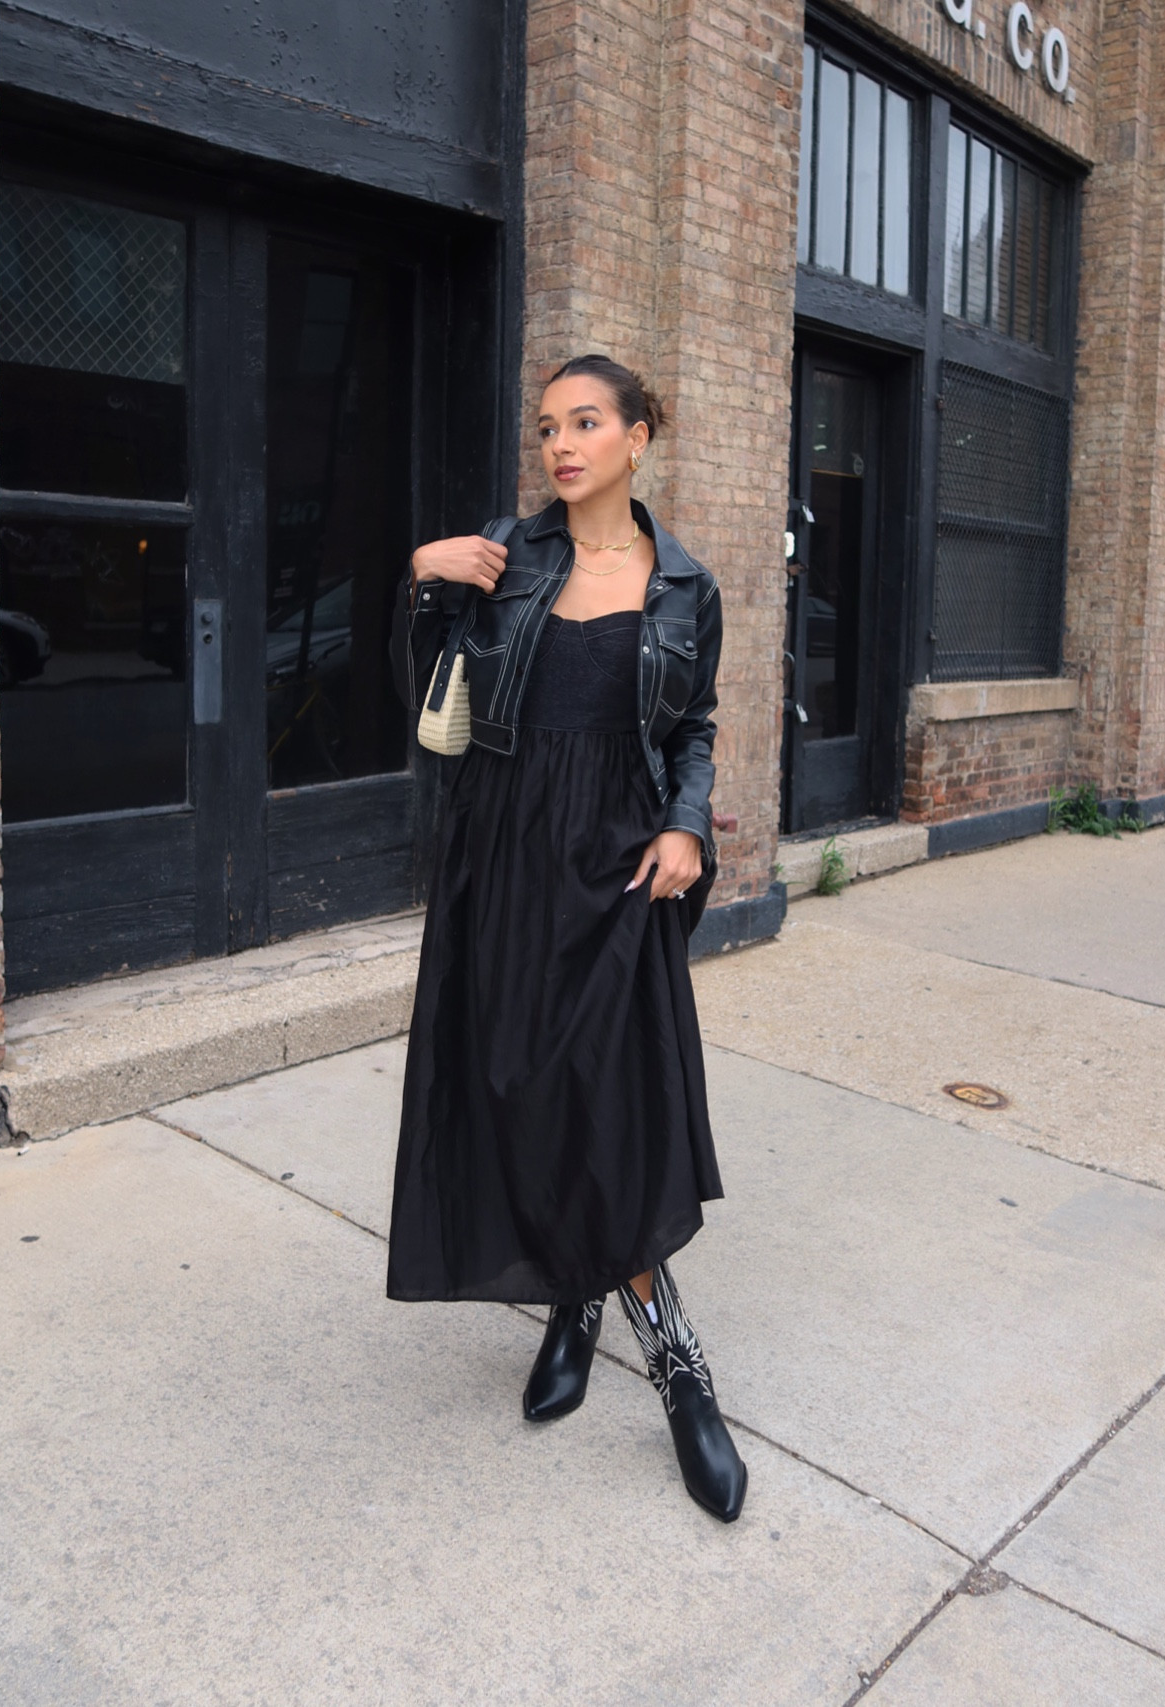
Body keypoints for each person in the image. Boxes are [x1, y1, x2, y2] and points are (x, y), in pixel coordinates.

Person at [387, 354, 747, 1523]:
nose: (562, 444)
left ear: (640, 435)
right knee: (518, 1086)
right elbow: (425, 699)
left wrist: (688, 828)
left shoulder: (686, 588)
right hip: (502, 854)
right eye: (548, 426)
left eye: (586, 422)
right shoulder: (508, 556)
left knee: (609, 1103)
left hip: (618, 866)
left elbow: (689, 730)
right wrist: (420, 577)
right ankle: (573, 1302)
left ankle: (679, 1366)